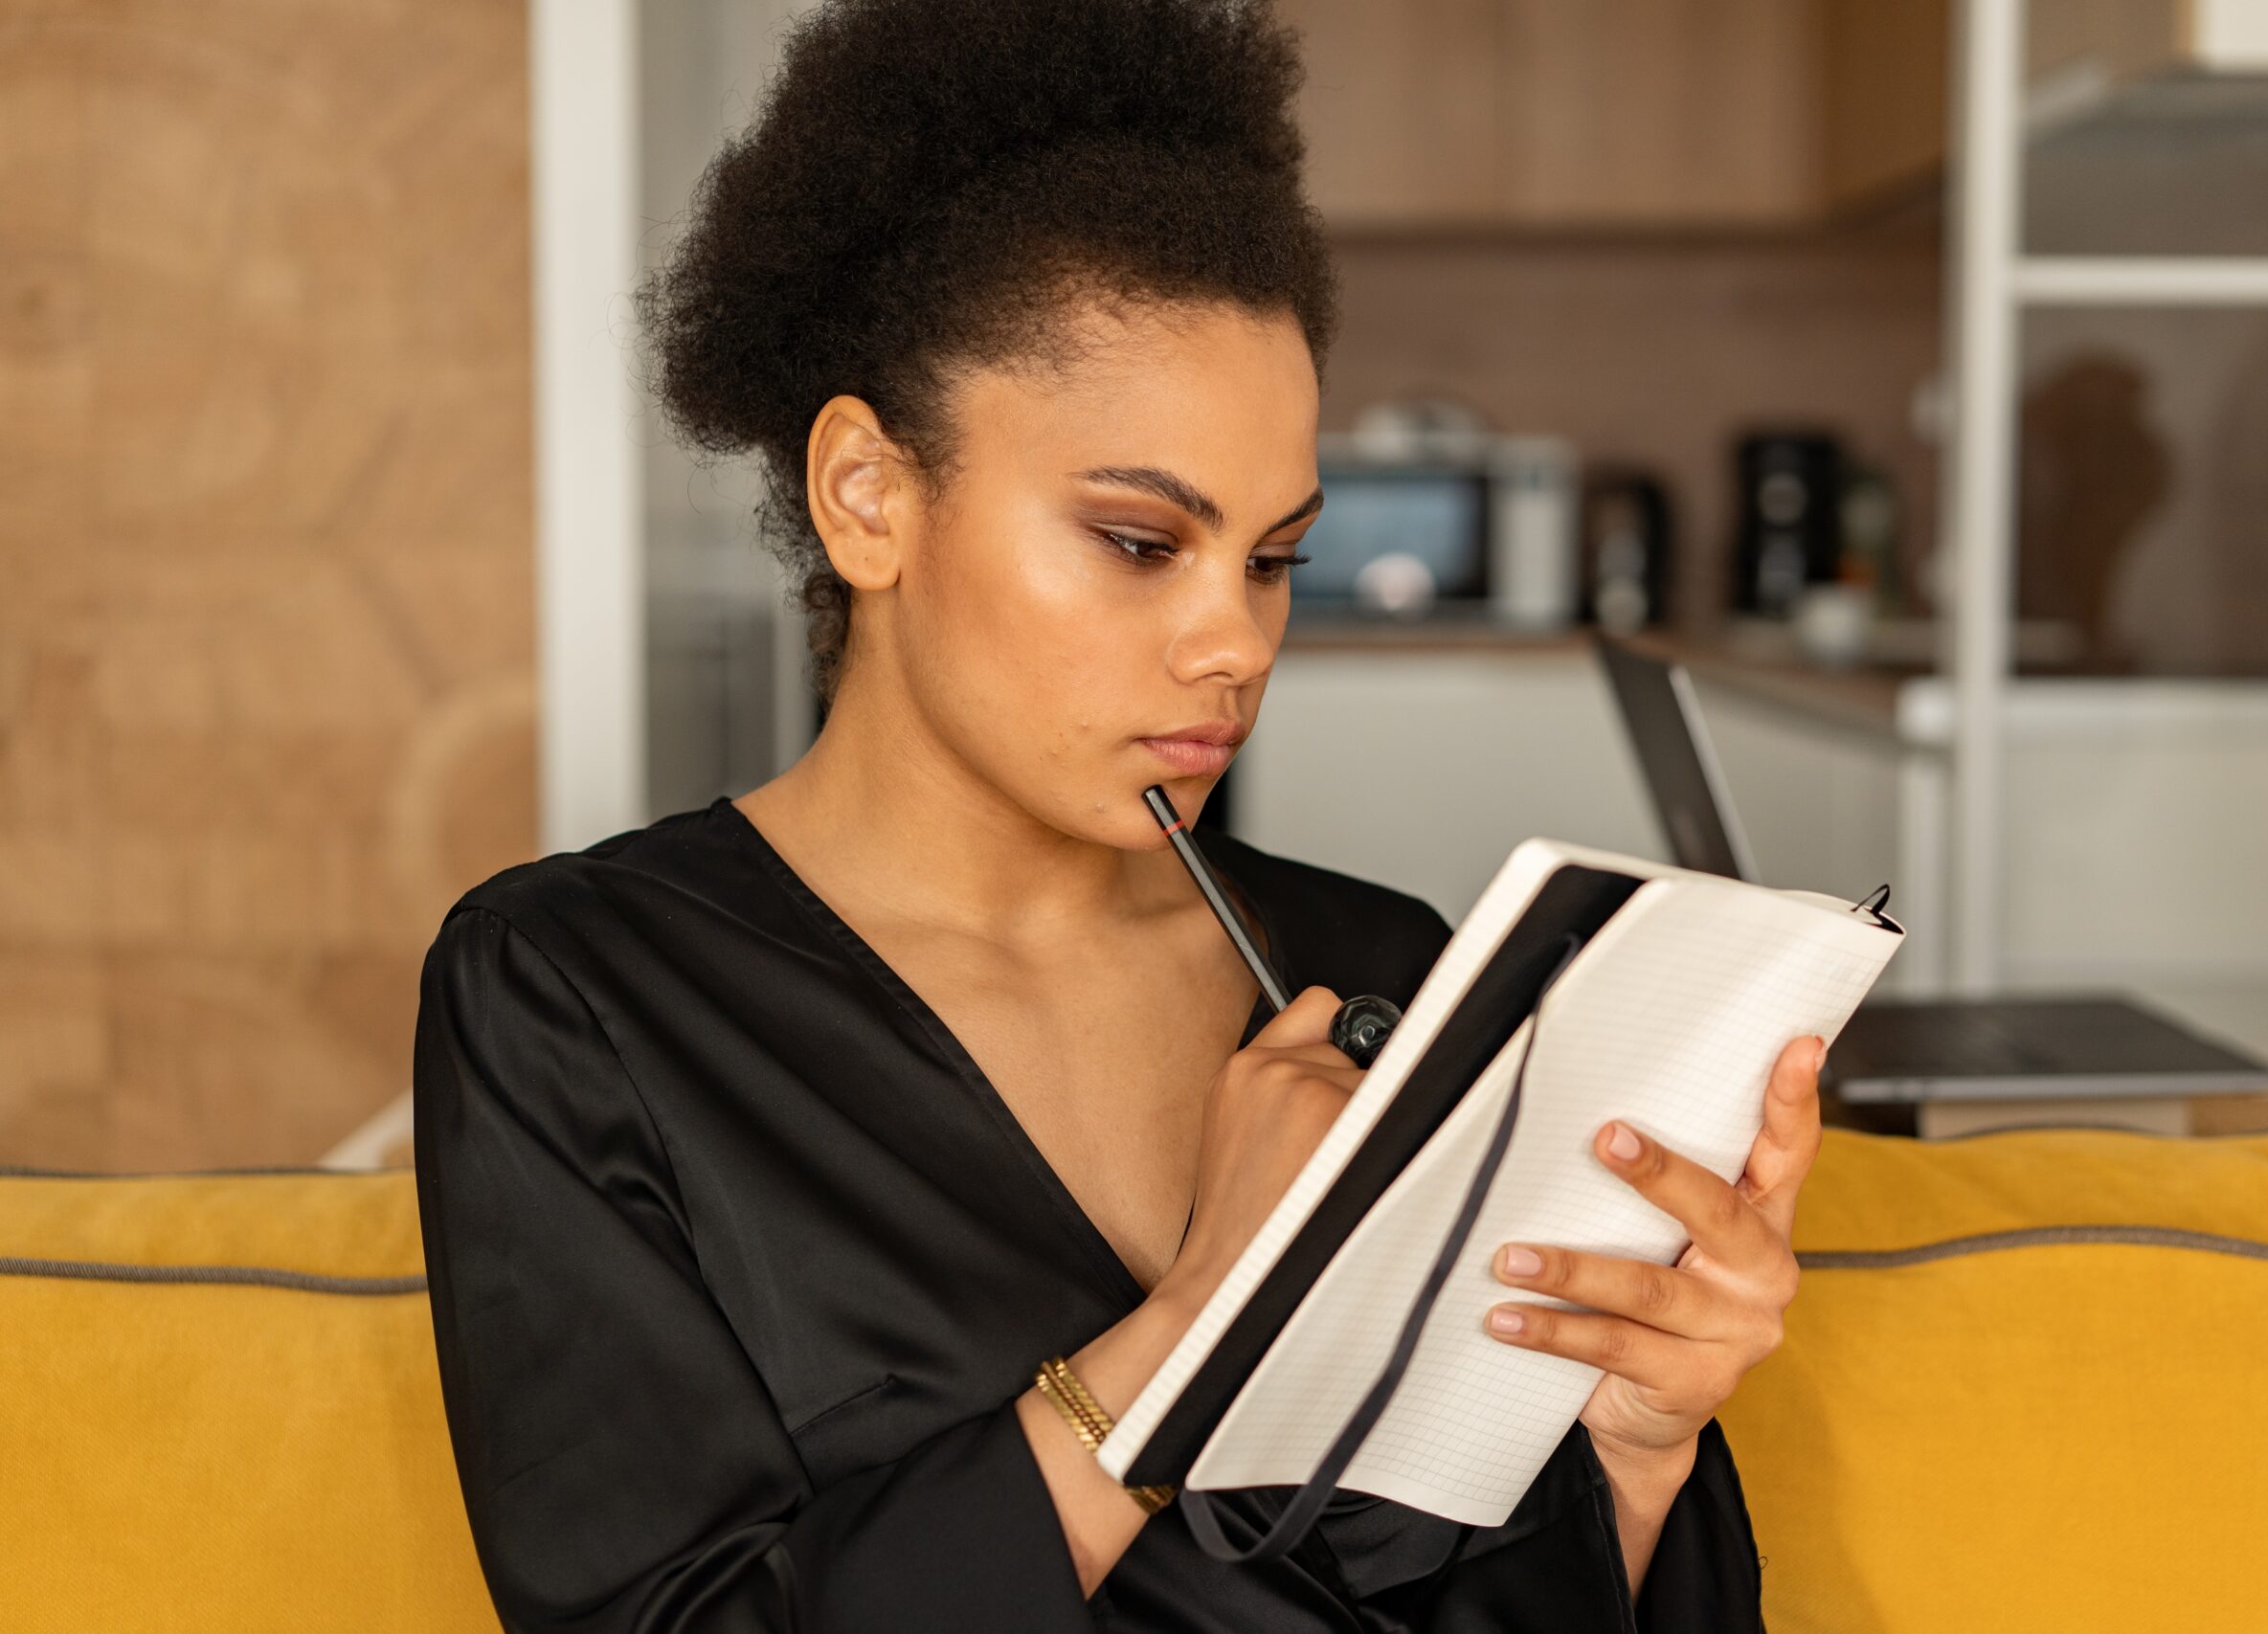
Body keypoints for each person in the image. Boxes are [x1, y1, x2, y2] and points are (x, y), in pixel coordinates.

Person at [412, 2, 1817, 1626]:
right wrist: (1204, 1316)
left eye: (1274, 558)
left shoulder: (1388, 974)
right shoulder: (578, 998)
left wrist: (1635, 1453)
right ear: (869, 496)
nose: (1237, 641)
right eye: (1144, 542)